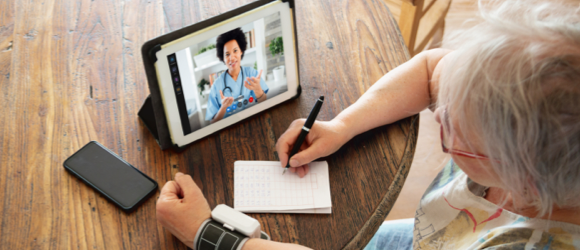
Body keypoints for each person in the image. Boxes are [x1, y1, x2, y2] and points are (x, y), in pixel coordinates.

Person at [157, 1, 580, 249]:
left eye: (450, 130)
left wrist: (208, 235)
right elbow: (434, 68)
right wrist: (342, 125)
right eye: (442, 100)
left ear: (523, 180)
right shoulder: (529, 111)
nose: (437, 110)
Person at [205, 28, 269, 124]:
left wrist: (257, 89)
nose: (232, 58)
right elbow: (213, 123)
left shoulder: (251, 73)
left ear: (241, 51)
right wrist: (223, 108)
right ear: (223, 58)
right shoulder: (216, 86)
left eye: (235, 51)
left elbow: (264, 102)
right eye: (227, 54)